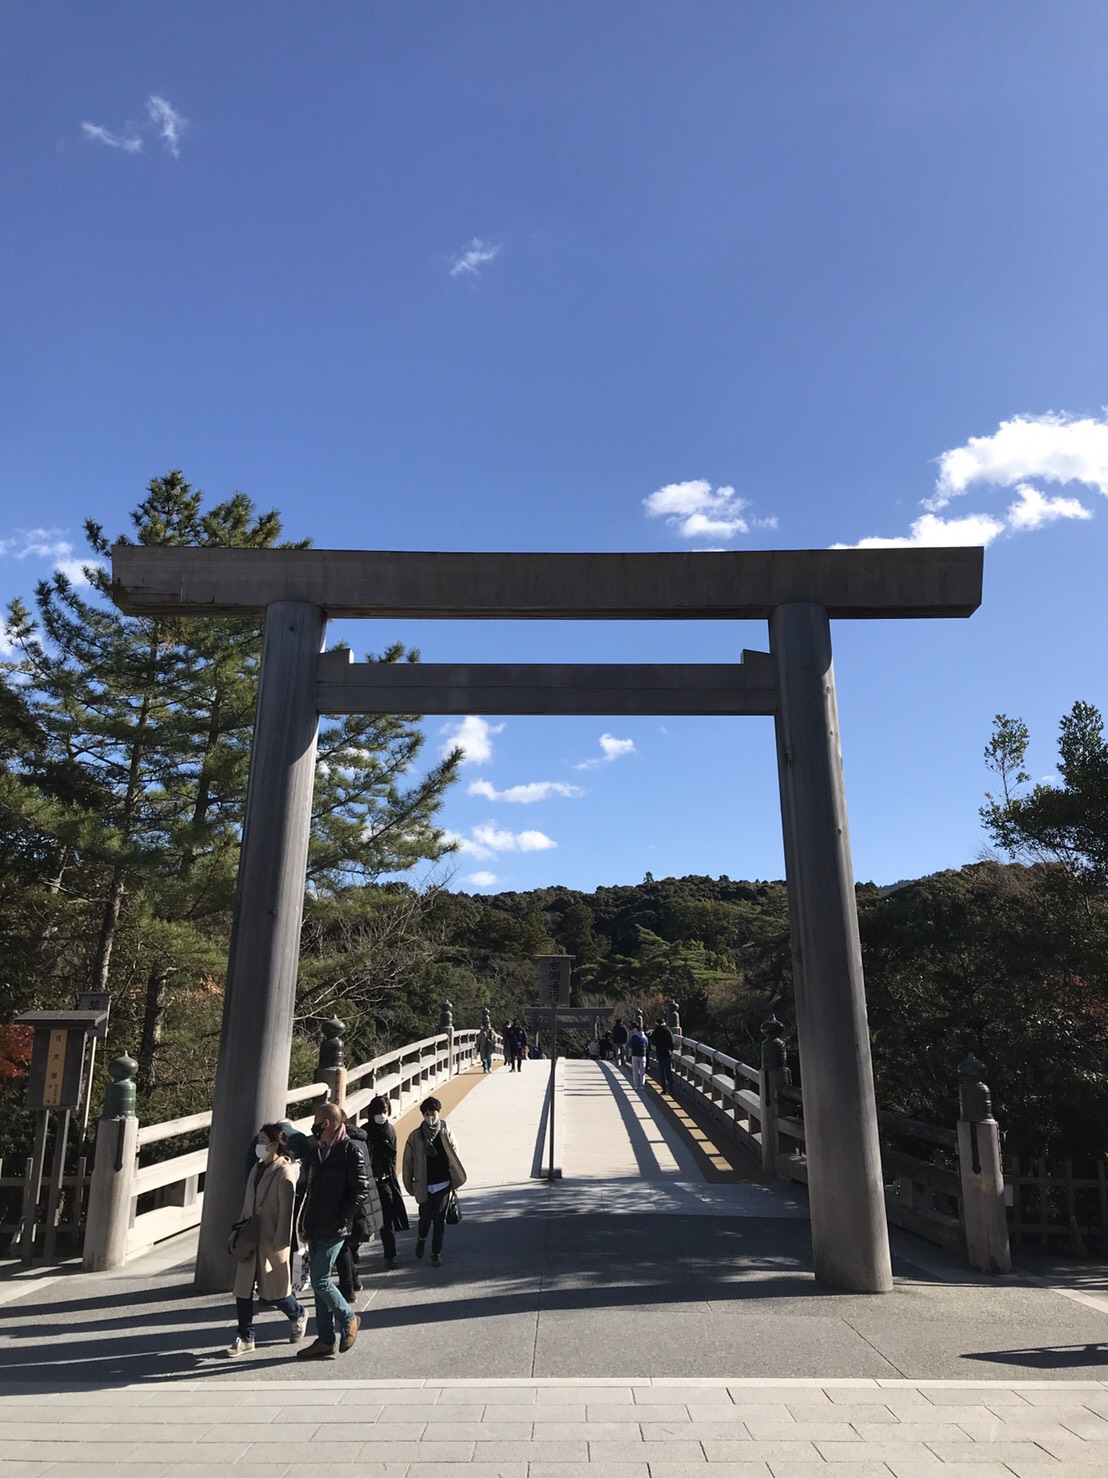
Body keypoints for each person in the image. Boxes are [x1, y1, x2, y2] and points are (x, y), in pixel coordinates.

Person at [295, 1101, 369, 1359]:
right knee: (318, 1284)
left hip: (335, 1226)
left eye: (316, 1121)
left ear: (325, 1124)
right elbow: (309, 1189)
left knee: (320, 1280)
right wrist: (302, 1221)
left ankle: (348, 1319)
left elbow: (360, 1190)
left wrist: (342, 1217)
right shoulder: (317, 1151)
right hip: (315, 1224)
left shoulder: (350, 1151)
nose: (313, 1125)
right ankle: (325, 1339)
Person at [227, 1123, 307, 1356]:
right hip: (250, 1235)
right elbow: (247, 1202)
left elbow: (287, 1210)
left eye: (263, 1140)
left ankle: (298, 1313)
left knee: (275, 1292)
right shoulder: (256, 1168)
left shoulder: (284, 1171)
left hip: (271, 1237)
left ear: (275, 1144)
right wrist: (239, 1229)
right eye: (259, 1140)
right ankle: (245, 1336)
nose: (259, 1145)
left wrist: (282, 1240)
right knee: (243, 1290)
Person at [402, 1095, 467, 1268]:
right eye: (427, 1113)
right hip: (424, 1184)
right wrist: (410, 1185)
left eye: (433, 1113)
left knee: (439, 1220)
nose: (431, 1117)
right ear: (423, 1115)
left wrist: (456, 1182)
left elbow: (455, 1158)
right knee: (424, 1220)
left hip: (443, 1183)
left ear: (439, 1113)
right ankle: (422, 1239)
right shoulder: (415, 1137)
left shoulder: (446, 1133)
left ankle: (436, 1253)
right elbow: (408, 1162)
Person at [336, 1112, 383, 1302]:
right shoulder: (361, 1141)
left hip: (356, 1206)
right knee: (346, 1245)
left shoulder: (349, 1146)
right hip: (366, 1206)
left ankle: (348, 1288)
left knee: (342, 1245)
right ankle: (354, 1281)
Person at [365, 1094, 408, 1267]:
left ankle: (389, 1255)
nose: (382, 1115)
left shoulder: (390, 1130)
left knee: (387, 1219)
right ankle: (353, 1252)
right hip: (366, 1182)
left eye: (385, 1111)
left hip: (384, 1180)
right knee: (364, 1219)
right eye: (379, 1112)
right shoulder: (365, 1131)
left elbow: (393, 1155)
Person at [650, 1017, 676, 1093]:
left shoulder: (656, 1031)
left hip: (660, 1053)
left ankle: (664, 1089)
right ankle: (671, 1089)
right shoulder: (668, 1030)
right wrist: (671, 1050)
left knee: (662, 1072)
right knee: (669, 1072)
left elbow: (653, 1041)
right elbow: (672, 1042)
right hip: (667, 1053)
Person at [628, 1022, 649, 1088]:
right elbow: (647, 1044)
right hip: (643, 1055)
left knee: (635, 1071)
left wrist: (629, 1055)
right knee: (642, 1072)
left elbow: (630, 1046)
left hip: (635, 1055)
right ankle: (642, 1085)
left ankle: (636, 1085)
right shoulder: (645, 1037)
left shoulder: (634, 1037)